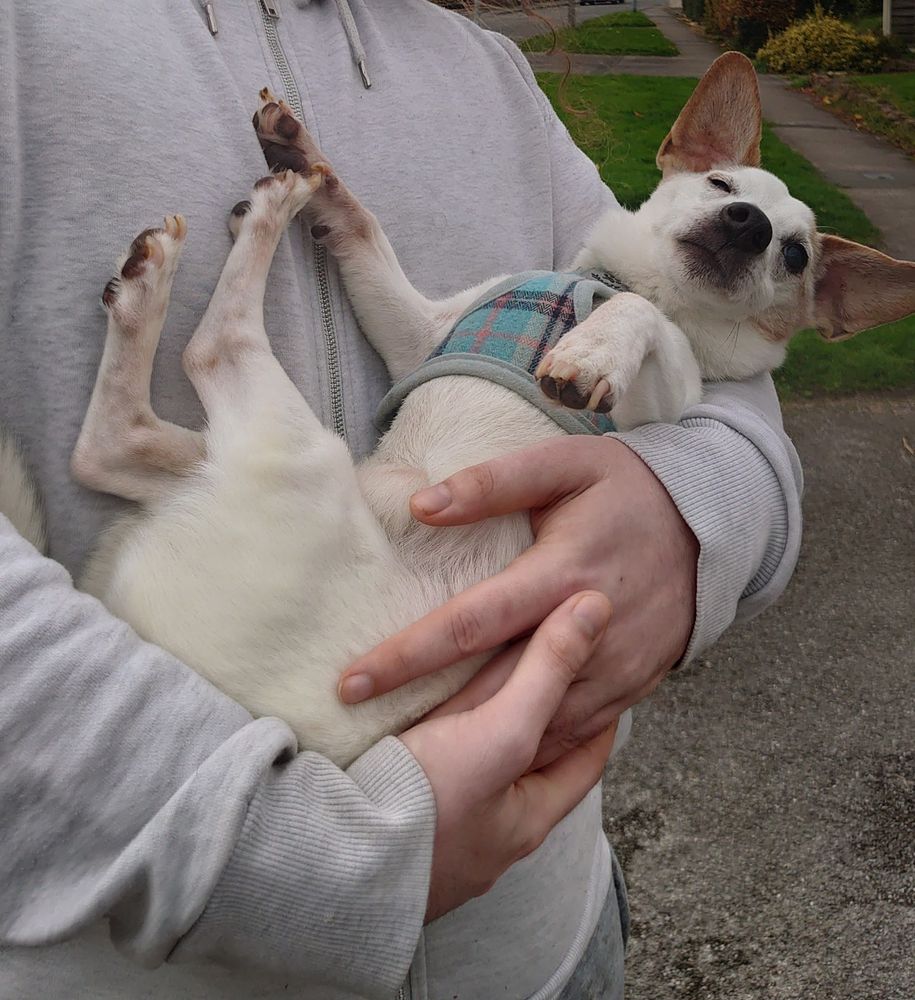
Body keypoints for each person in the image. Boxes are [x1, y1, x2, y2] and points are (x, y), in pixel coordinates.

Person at [0, 1, 803, 998]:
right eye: (725, 186)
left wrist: (694, 515)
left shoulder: (490, 72)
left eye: (791, 251)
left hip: (551, 950)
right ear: (694, 161)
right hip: (163, 948)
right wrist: (309, 860)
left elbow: (719, 375)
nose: (741, 217)